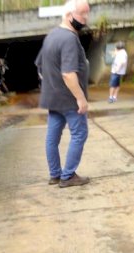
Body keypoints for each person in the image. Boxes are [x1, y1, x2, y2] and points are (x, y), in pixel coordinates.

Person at [35, 0, 91, 188]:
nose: (86, 19)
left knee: (52, 137)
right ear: (69, 15)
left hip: (53, 98)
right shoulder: (69, 38)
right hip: (69, 100)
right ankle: (67, 176)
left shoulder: (51, 36)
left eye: (87, 14)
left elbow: (40, 66)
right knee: (80, 133)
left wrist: (52, 85)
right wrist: (80, 98)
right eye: (82, 14)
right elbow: (68, 73)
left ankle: (55, 175)